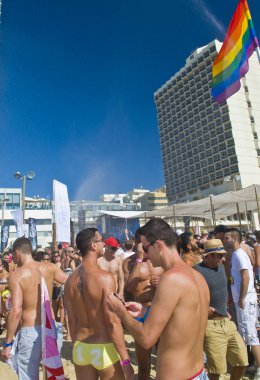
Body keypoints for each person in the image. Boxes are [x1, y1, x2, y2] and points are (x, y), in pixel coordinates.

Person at [107, 218, 210, 380]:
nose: (144, 254)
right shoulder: (197, 276)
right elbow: (184, 320)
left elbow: (146, 339)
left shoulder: (170, 279)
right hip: (198, 372)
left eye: (146, 249)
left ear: (159, 246)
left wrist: (120, 311)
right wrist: (146, 311)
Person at [64, 228, 134, 380]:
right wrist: (126, 360)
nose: (103, 243)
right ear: (93, 245)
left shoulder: (70, 280)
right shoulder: (105, 278)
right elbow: (112, 322)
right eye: (101, 240)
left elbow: (71, 319)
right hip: (103, 347)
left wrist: (77, 346)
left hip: (80, 347)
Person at [0, 237, 67, 379]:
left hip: (30, 331)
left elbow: (16, 310)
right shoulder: (49, 267)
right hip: (51, 328)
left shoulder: (17, 275)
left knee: (28, 375)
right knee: (52, 374)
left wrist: (8, 342)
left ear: (17, 252)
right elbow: (70, 282)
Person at [194, 239, 248, 380]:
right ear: (209, 255)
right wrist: (202, 307)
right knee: (216, 370)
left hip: (227, 323)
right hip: (210, 326)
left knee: (242, 362)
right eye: (219, 256)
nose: (222, 258)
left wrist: (226, 308)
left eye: (223, 255)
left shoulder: (222, 267)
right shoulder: (196, 271)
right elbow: (188, 296)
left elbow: (224, 288)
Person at [126, 233, 164, 380]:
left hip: (159, 311)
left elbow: (173, 282)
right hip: (141, 314)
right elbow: (129, 287)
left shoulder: (160, 261)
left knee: (164, 361)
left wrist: (162, 281)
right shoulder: (129, 263)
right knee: (143, 367)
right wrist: (139, 259)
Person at [224, 228, 260, 379]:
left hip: (245, 301)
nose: (224, 240)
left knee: (251, 336)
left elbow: (246, 276)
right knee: (247, 335)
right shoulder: (235, 255)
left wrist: (242, 298)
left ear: (233, 239)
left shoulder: (239, 254)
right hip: (242, 299)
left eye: (226, 237)